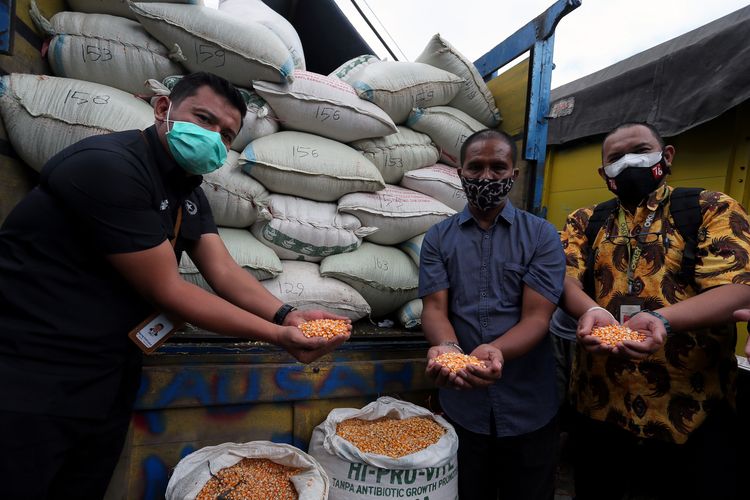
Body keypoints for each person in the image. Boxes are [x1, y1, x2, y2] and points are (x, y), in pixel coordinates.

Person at [0, 72, 350, 500]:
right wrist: (278, 336)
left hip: (106, 371)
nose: (214, 137)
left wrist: (287, 314)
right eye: (203, 119)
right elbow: (170, 290)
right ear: (164, 109)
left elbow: (221, 270)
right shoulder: (110, 167)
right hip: (30, 368)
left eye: (226, 134)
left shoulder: (189, 192)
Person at [560, 122, 750, 500]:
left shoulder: (709, 208)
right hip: (601, 405)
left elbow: (737, 289)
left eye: (641, 149)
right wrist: (592, 311)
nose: (629, 162)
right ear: (604, 173)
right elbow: (564, 280)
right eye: (615, 157)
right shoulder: (585, 221)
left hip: (693, 412)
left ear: (667, 156)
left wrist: (663, 319)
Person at [419, 129, 566, 499]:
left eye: (498, 167)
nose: (486, 177)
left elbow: (537, 317)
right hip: (463, 408)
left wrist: (496, 350)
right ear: (461, 173)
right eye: (477, 167)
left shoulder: (542, 236)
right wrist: (450, 348)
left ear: (513, 174)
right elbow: (435, 308)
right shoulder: (438, 238)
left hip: (529, 406)